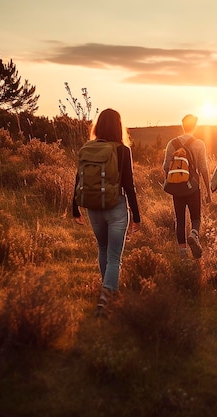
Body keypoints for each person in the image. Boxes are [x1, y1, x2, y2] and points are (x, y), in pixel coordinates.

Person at [73, 108, 141, 317]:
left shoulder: (88, 148)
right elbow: (129, 186)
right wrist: (137, 217)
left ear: (98, 125)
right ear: (119, 126)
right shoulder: (122, 150)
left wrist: (74, 208)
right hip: (116, 206)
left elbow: (79, 180)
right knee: (114, 257)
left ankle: (108, 291)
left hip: (93, 207)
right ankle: (107, 298)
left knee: (103, 249)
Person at [162, 114, 212, 258]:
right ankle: (194, 235)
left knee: (180, 220)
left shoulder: (172, 143)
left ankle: (183, 254)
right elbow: (203, 168)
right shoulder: (199, 144)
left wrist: (169, 183)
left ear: (183, 125)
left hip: (177, 188)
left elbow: (166, 167)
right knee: (196, 218)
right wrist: (208, 191)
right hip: (193, 187)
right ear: (195, 126)